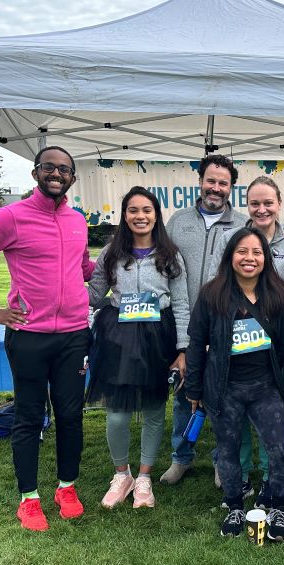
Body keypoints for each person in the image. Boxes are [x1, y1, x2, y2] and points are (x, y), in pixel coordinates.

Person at [0, 146, 94, 532]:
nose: (57, 174)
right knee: (29, 417)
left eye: (65, 169)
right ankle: (29, 499)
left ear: (72, 179)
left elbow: (82, 268)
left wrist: (125, 258)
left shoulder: (78, 221)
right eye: (50, 167)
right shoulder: (10, 217)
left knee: (71, 416)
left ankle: (67, 488)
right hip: (29, 336)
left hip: (75, 336)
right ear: (35, 173)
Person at [185, 227, 284, 541]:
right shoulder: (211, 294)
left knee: (280, 451)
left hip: (266, 387)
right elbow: (196, 342)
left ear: (266, 258)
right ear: (231, 256)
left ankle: (278, 506)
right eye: (242, 251)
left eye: (257, 252)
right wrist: (193, 389)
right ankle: (234, 505)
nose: (250, 258)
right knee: (227, 452)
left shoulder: (279, 294)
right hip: (224, 388)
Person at [86, 186, 189, 510]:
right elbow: (92, 294)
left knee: (154, 411)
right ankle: (122, 474)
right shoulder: (111, 254)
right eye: (133, 210)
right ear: (125, 214)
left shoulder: (170, 255)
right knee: (116, 414)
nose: (140, 216)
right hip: (118, 337)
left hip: (158, 338)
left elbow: (183, 302)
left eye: (146, 210)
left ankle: (144, 477)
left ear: (156, 214)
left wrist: (183, 348)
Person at [208, 175, 284, 506]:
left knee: (271, 425)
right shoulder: (232, 238)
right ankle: (240, 476)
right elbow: (219, 284)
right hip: (232, 360)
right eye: (254, 203)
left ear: (278, 205)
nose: (261, 209)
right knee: (234, 428)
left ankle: (269, 481)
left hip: (270, 356)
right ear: (246, 205)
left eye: (268, 203)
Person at [160, 154, 246, 486]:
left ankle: (221, 460)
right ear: (200, 181)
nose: (216, 188)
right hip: (185, 325)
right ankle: (181, 458)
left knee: (224, 400)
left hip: (225, 327)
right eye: (211, 180)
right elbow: (165, 272)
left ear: (231, 187)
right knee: (185, 395)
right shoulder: (178, 222)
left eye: (223, 183)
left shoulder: (242, 225)